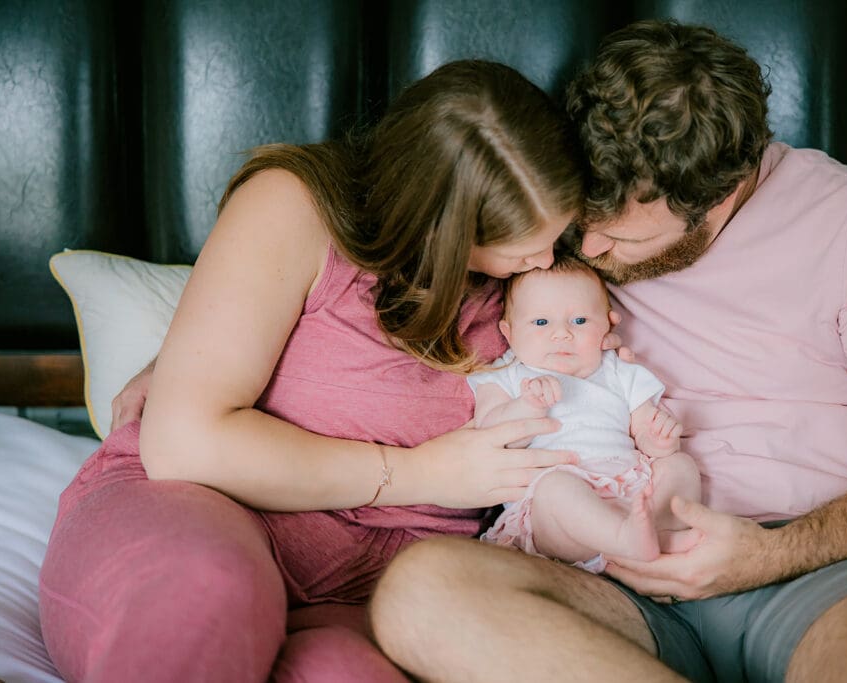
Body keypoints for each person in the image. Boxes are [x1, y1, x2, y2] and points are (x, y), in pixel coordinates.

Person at [368, 20, 847, 683]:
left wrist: (774, 553)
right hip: (607, 563)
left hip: (812, 568)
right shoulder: (565, 211)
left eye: (619, 238)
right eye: (585, 221)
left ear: (720, 196)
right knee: (420, 593)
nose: (584, 250)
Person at [38, 60, 595, 682]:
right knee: (207, 594)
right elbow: (184, 448)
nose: (544, 260)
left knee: (343, 676)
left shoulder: (544, 286)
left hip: (380, 586)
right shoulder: (295, 206)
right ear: (440, 229)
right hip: (203, 510)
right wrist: (419, 472)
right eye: (519, 247)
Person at [469, 254, 701, 572]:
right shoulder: (506, 375)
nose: (562, 333)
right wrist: (527, 406)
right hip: (558, 516)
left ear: (607, 324)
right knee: (557, 488)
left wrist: (659, 439)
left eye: (579, 321)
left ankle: (651, 533)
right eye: (541, 322)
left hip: (629, 493)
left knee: (680, 465)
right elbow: (490, 437)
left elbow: (644, 429)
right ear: (508, 333)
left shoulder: (619, 370)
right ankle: (627, 541)